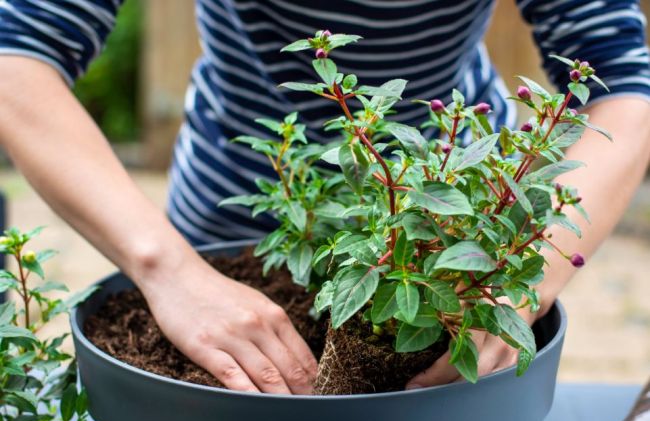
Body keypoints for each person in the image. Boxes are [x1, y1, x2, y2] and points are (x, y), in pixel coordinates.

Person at [0, 0, 648, 394]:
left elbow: (623, 86)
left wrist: (518, 277)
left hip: (451, 230)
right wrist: (168, 268)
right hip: (234, 211)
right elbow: (16, 54)